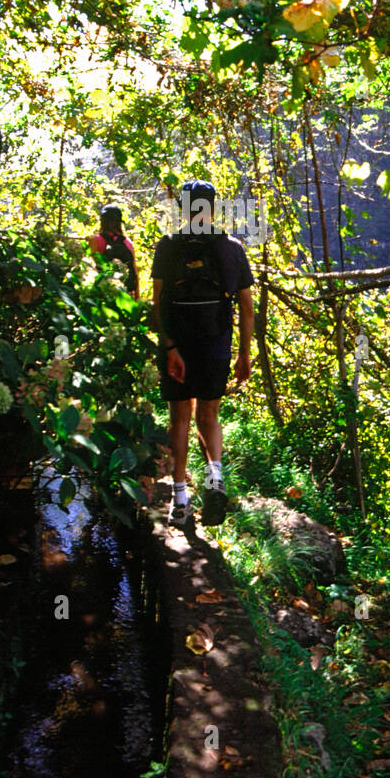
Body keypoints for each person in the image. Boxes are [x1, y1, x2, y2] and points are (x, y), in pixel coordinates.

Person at [151, 179, 254, 528]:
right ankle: (214, 482)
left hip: (177, 346)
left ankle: (180, 502)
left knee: (180, 418)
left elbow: (157, 305)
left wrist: (169, 348)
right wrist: (244, 354)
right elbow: (247, 308)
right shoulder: (232, 248)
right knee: (208, 416)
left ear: (182, 208)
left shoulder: (167, 247)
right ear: (213, 209)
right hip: (215, 345)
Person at [88, 204, 139, 298]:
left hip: (103, 296)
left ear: (102, 221)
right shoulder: (127, 242)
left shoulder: (94, 240)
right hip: (125, 297)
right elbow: (135, 273)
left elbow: (89, 268)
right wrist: (137, 299)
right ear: (119, 222)